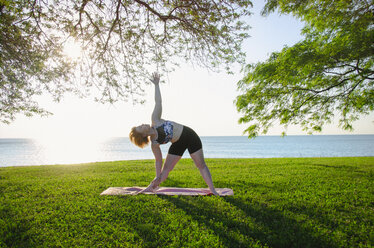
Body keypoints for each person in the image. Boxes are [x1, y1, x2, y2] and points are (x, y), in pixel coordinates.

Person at [129, 72, 219, 195]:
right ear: (143, 135)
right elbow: (158, 161)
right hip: (177, 143)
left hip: (189, 135)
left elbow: (158, 102)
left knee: (201, 164)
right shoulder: (154, 143)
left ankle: (213, 190)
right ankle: (152, 186)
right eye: (140, 127)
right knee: (165, 170)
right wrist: (157, 176)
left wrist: (156, 85)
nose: (142, 124)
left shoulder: (155, 120)